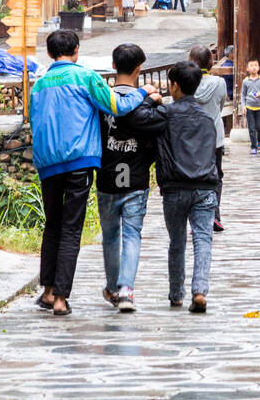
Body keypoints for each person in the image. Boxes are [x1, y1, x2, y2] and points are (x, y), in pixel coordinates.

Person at [30, 29, 151, 316]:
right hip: (79, 162)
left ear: (49, 54)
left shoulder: (39, 85)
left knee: (52, 226)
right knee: (71, 229)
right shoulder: (85, 77)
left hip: (47, 164)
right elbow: (118, 106)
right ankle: (61, 299)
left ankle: (47, 292)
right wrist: (144, 93)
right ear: (76, 51)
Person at [96, 43, 167, 312]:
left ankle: (113, 288)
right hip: (136, 180)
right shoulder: (144, 103)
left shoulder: (103, 101)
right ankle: (127, 290)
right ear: (139, 68)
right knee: (133, 235)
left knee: (111, 235)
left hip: (106, 179)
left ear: (113, 66)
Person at [156, 60, 219, 313]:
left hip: (175, 186)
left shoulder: (166, 115)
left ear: (174, 86)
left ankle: (176, 295)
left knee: (177, 241)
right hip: (205, 186)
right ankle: (200, 291)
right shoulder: (206, 119)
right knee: (203, 239)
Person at [190, 45, 228, 232]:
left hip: (192, 137)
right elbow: (221, 106)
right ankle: (215, 215)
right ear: (210, 62)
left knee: (194, 176)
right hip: (214, 136)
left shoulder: (187, 83)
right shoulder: (219, 82)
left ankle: (198, 216)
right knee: (215, 176)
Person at [240, 59, 260, 154]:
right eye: (251, 66)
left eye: (256, 65)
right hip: (250, 107)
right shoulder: (246, 81)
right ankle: (253, 147)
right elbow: (243, 95)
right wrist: (243, 106)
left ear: (259, 68)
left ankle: (259, 140)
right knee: (251, 128)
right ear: (247, 69)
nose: (254, 67)